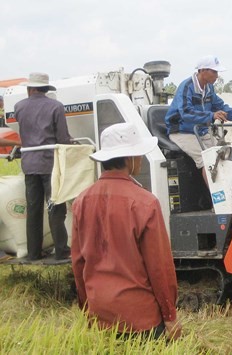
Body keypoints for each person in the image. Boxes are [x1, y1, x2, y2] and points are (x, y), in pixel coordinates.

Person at [71, 122, 181, 340]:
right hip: (140, 320)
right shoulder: (145, 202)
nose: (140, 159)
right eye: (138, 154)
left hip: (100, 315)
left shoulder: (81, 201)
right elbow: (159, 267)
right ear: (129, 159)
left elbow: (78, 263)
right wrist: (170, 316)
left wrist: (87, 311)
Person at [165, 55, 232, 184]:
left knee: (224, 157)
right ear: (202, 71)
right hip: (181, 131)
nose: (217, 76)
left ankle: (231, 192)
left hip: (200, 131)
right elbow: (185, 112)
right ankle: (218, 200)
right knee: (207, 161)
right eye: (214, 71)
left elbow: (221, 107)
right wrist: (211, 115)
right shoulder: (186, 87)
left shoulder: (209, 89)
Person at [14, 73, 72, 261]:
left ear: (30, 88)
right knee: (55, 207)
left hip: (29, 165)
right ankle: (61, 251)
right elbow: (63, 138)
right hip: (49, 164)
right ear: (46, 89)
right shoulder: (56, 107)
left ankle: (33, 253)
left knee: (33, 209)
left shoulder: (19, 107)